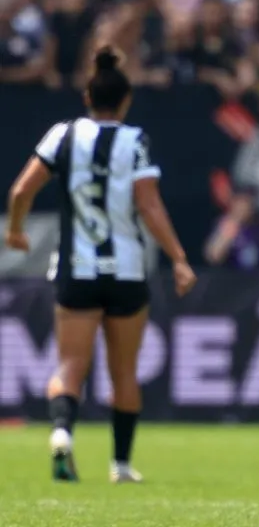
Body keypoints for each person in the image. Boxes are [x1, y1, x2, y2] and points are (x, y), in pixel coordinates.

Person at [4, 46, 196, 483]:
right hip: (126, 270)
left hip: (76, 269)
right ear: (125, 101)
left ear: (87, 98)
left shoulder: (62, 136)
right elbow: (149, 206)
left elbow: (20, 193)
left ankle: (61, 435)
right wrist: (179, 259)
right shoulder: (135, 141)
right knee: (124, 372)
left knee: (70, 365)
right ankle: (121, 464)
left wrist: (16, 231)